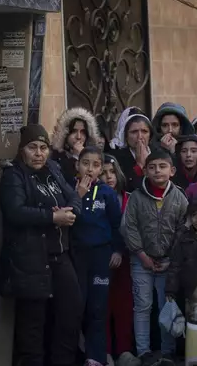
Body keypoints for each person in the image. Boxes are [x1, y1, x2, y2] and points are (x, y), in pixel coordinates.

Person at [0, 124, 83, 366]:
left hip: (60, 257)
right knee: (32, 330)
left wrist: (70, 211)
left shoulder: (53, 169)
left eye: (43, 148)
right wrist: (51, 217)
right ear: (22, 150)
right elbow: (15, 211)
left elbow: (73, 195)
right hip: (31, 261)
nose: (38, 153)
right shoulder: (13, 175)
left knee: (70, 315)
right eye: (32, 147)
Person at [122, 150, 188, 366]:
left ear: (172, 170)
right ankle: (143, 351)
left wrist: (171, 259)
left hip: (167, 262)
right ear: (145, 170)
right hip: (141, 261)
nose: (157, 171)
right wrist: (141, 254)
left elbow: (183, 230)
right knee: (142, 306)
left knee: (165, 305)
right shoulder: (137, 197)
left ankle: (167, 351)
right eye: (152, 167)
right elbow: (128, 226)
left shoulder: (180, 198)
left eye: (162, 166)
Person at [71, 147, 123, 366]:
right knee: (76, 306)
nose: (89, 169)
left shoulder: (107, 193)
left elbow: (117, 224)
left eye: (95, 165)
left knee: (97, 307)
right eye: (85, 163)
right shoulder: (68, 189)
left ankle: (95, 358)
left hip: (101, 257)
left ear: (101, 168)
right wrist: (77, 196)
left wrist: (118, 250)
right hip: (75, 256)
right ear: (77, 165)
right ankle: (75, 354)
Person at [100, 155, 134, 364]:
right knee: (101, 307)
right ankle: (104, 351)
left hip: (127, 261)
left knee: (124, 306)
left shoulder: (129, 198)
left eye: (111, 172)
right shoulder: (93, 198)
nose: (108, 177)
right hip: (100, 260)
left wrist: (120, 251)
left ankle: (124, 351)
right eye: (103, 173)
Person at [111, 108, 157, 192]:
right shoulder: (117, 158)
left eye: (144, 131)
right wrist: (139, 165)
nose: (140, 136)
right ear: (126, 136)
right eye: (134, 132)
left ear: (150, 135)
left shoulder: (158, 153)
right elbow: (124, 187)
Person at [51, 108, 102, 180]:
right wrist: (75, 157)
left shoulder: (97, 155)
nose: (78, 137)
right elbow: (61, 180)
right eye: (74, 131)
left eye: (83, 132)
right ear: (65, 134)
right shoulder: (54, 155)